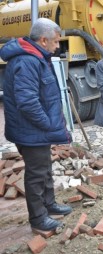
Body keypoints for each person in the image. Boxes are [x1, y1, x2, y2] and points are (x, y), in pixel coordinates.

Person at [0, 18, 72, 231]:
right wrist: (47, 124)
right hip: (31, 131)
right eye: (56, 42)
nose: (58, 46)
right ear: (43, 40)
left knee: (45, 169)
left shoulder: (37, 58)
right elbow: (28, 102)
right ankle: (39, 219)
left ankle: (49, 205)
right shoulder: (27, 61)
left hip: (35, 131)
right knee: (37, 174)